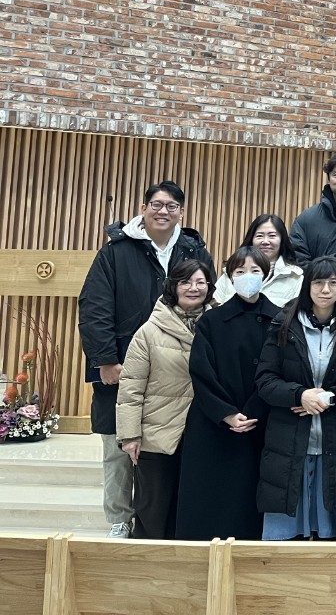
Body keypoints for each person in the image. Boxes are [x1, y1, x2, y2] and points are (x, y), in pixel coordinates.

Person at [78, 179, 213, 537]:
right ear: (143, 208)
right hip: (122, 367)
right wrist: (106, 360)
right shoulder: (116, 252)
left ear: (181, 212)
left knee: (169, 453)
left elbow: (211, 305)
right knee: (119, 447)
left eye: (171, 206)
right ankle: (120, 519)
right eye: (156, 204)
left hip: (177, 376)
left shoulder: (194, 250)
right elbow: (94, 307)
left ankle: (165, 524)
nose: (163, 211)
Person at [255, 256, 336, 540]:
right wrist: (299, 395)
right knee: (286, 540)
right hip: (288, 441)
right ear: (307, 286)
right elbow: (265, 380)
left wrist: (330, 398)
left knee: (330, 540)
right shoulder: (284, 323)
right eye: (318, 282)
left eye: (333, 283)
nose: (325, 289)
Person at [175, 246, 277, 540]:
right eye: (240, 271)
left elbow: (281, 371)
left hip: (261, 423)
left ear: (266, 275)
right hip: (214, 424)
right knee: (209, 502)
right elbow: (201, 372)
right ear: (230, 276)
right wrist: (227, 413)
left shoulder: (280, 319)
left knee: (249, 505)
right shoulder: (211, 320)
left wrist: (253, 411)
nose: (248, 277)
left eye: (255, 271)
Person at [115, 258, 215, 539]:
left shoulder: (218, 326)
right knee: (153, 510)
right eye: (186, 282)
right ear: (173, 287)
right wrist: (130, 435)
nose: (193, 288)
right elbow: (131, 388)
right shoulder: (149, 332)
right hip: (158, 433)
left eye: (200, 282)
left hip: (203, 433)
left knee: (192, 511)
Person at [213, 214, 304, 307]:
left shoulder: (295, 277)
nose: (265, 241)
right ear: (251, 239)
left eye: (272, 236)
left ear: (282, 240)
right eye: (259, 236)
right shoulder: (230, 274)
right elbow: (214, 308)